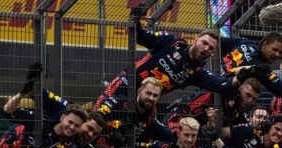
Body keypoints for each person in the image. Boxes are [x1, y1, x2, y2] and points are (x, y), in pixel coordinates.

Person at [93, 10, 233, 115]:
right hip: (125, 84)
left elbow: (220, 84)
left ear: (213, 53)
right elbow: (142, 38)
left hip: (147, 102)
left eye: (211, 48)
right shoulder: (173, 42)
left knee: (128, 140)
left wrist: (242, 76)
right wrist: (135, 20)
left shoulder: (197, 73)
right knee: (98, 116)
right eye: (204, 43)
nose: (206, 48)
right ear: (196, 39)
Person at [221, 31, 282, 99]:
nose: (277, 55)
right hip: (215, 84)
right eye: (274, 49)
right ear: (264, 45)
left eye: (280, 52)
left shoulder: (246, 43)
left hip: (219, 91)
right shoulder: (262, 69)